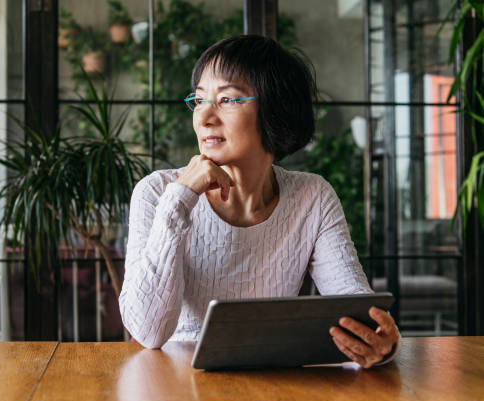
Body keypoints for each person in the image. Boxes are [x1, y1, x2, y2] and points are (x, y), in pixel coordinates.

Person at [119, 35, 400, 368]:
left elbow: (356, 310)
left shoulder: (312, 196)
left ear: (275, 109)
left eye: (227, 99)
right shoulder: (158, 192)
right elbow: (148, 332)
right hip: (174, 387)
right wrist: (180, 198)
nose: (205, 116)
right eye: (199, 99)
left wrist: (380, 345)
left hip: (276, 385)